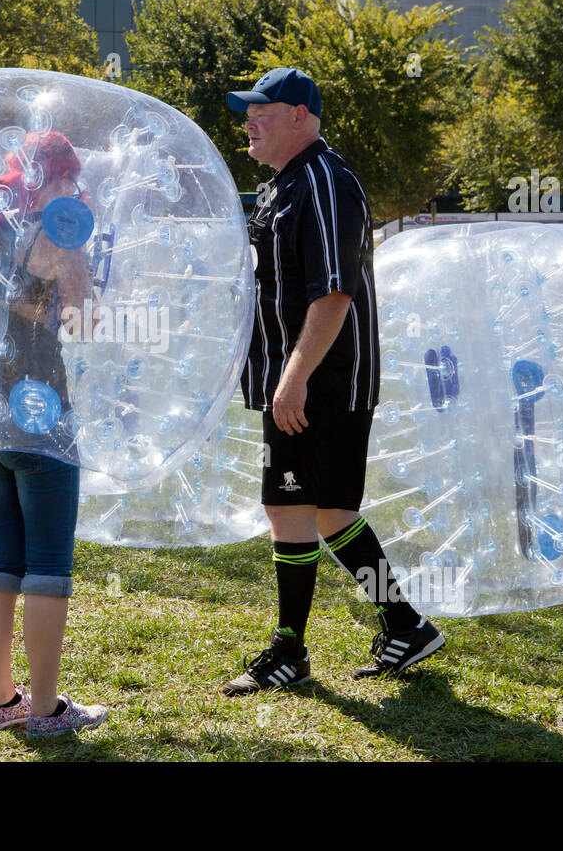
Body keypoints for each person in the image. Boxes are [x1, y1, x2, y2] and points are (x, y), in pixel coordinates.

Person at [219, 68, 445, 695]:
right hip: (296, 378)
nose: (250, 123)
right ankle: (402, 622)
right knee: (319, 509)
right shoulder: (284, 184)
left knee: (299, 507)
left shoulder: (323, 182)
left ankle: (291, 649)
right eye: (248, 113)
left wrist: (293, 378)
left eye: (262, 111)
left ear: (300, 115)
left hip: (323, 378)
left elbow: (335, 292)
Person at [0, 130, 107, 737]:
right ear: (60, 179)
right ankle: (45, 711)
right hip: (39, 414)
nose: (77, 189)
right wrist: (86, 257)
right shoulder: (59, 234)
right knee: (47, 565)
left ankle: (0, 701)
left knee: (0, 559)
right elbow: (86, 321)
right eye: (72, 178)